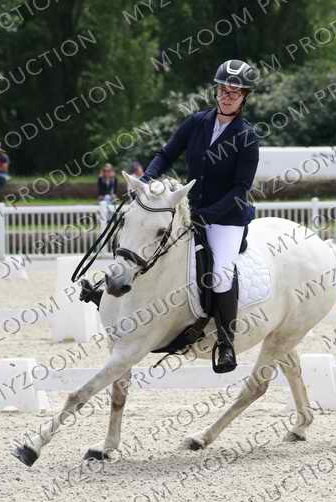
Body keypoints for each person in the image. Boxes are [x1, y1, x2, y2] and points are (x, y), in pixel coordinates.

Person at [140, 59, 260, 374]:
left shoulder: (247, 136)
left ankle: (226, 343)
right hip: (190, 212)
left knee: (220, 273)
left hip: (226, 219)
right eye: (223, 90)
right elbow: (166, 154)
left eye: (234, 92)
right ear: (216, 91)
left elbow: (240, 189)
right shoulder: (196, 122)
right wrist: (146, 179)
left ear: (244, 97)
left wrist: (206, 214)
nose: (227, 97)